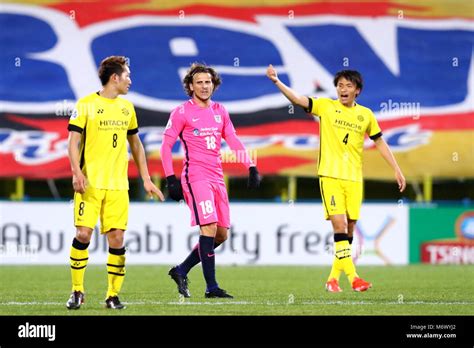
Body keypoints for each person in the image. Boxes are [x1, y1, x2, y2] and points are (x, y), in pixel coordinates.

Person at [266, 65, 406, 292]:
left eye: (348, 86)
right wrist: (276, 81)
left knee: (349, 229)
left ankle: (332, 279)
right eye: (340, 85)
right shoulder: (326, 106)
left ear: (357, 90)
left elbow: (379, 141)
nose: (343, 89)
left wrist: (397, 169)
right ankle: (354, 278)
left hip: (354, 179)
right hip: (330, 176)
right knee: (339, 225)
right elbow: (298, 99)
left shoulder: (366, 115)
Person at [66, 56, 164, 310]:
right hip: (90, 183)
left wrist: (146, 178)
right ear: (115, 78)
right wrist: (77, 172)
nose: (130, 80)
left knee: (117, 239)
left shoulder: (127, 108)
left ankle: (112, 296)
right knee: (83, 233)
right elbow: (73, 142)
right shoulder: (86, 104)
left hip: (119, 186)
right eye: (128, 76)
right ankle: (77, 291)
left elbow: (136, 145)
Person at [161, 62, 261, 298]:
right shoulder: (181, 112)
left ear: (214, 84)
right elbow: (166, 146)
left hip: (217, 176)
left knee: (222, 234)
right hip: (195, 176)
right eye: (199, 82)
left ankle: (181, 270)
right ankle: (212, 287)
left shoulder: (220, 111)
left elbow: (233, 139)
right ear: (191, 86)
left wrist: (251, 166)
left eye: (208, 82)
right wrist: (170, 178)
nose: (204, 86)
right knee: (209, 227)